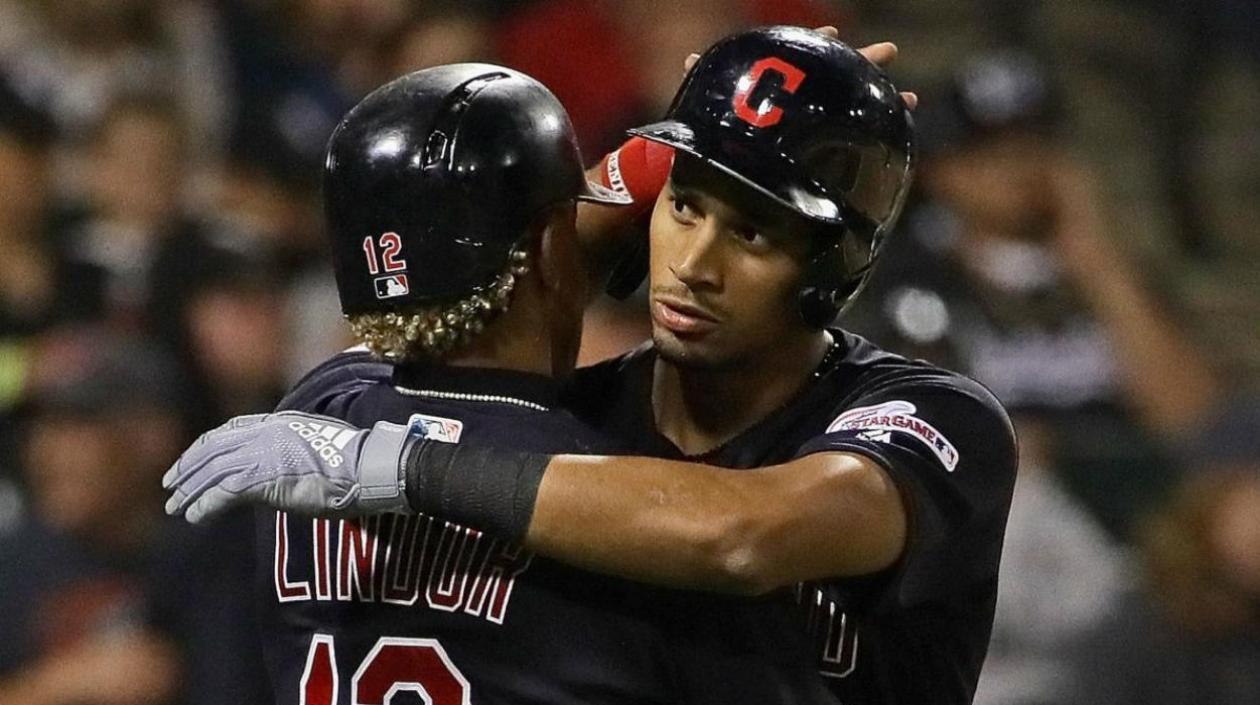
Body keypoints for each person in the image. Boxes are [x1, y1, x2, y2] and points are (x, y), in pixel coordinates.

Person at [168, 28, 1015, 705]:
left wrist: (396, 464)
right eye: (682, 204)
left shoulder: (934, 416)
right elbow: (517, 258)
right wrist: (719, 126)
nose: (694, 264)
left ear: (835, 262)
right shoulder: (565, 423)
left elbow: (742, 532)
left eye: (752, 232)